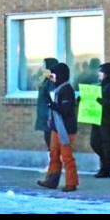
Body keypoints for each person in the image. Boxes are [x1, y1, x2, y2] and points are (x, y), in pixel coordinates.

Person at [37, 62, 79, 192]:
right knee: (54, 154)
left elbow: (66, 110)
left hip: (65, 129)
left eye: (53, 75)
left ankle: (71, 183)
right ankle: (52, 180)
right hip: (56, 127)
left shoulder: (67, 89)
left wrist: (52, 105)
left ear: (60, 75)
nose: (52, 77)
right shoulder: (58, 89)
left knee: (66, 156)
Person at [91, 62, 110, 178]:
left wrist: (101, 101)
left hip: (107, 120)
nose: (99, 74)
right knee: (94, 142)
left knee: (106, 144)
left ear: (107, 74)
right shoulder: (99, 86)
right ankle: (107, 162)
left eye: (101, 72)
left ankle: (105, 168)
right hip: (97, 118)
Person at [35, 58, 59, 150]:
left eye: (44, 65)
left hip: (49, 116)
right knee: (48, 139)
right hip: (45, 114)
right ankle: (53, 162)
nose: (42, 67)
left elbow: (53, 98)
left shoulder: (51, 80)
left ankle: (55, 162)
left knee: (51, 140)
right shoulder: (45, 80)